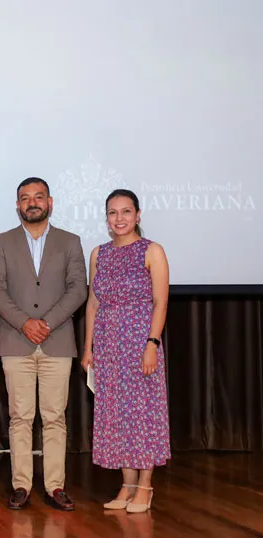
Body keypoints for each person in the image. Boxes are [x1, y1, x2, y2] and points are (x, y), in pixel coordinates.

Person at [0, 177, 87, 511]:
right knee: (20, 417)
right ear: (17, 205)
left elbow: (78, 289)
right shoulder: (1, 242)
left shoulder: (70, 241)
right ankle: (21, 485)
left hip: (57, 341)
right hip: (16, 341)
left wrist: (46, 323)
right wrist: (24, 323)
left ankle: (55, 486)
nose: (32, 202)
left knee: (55, 417)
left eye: (38, 197)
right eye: (25, 198)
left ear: (50, 202)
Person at [81, 189, 171, 513]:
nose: (119, 218)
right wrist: (89, 348)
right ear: (106, 218)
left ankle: (145, 486)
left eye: (126, 211)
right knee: (116, 414)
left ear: (138, 215)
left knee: (143, 413)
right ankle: (127, 485)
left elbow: (160, 302)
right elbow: (93, 303)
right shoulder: (99, 254)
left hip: (140, 342)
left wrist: (152, 344)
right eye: (113, 212)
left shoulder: (152, 251)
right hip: (107, 345)